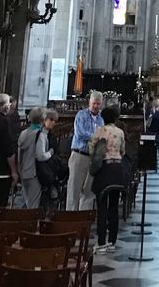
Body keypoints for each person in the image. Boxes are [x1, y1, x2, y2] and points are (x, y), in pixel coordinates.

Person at [90, 104, 128, 252]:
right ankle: (112, 241)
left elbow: (92, 149)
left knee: (102, 207)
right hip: (117, 170)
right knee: (113, 206)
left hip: (104, 170)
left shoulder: (100, 131)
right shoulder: (120, 132)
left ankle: (101, 242)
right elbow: (123, 150)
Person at [68, 89, 104, 210]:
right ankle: (70, 217)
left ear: (101, 104)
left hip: (93, 157)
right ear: (89, 102)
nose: (95, 106)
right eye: (94, 103)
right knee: (74, 189)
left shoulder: (101, 120)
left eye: (98, 104)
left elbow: (102, 136)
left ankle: (83, 221)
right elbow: (81, 134)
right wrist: (95, 137)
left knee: (89, 191)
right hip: (79, 155)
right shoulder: (81, 115)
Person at [19, 107, 56, 209]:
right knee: (33, 204)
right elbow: (40, 156)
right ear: (43, 120)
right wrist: (50, 152)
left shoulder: (24, 132)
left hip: (23, 170)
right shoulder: (40, 135)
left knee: (26, 201)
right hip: (34, 172)